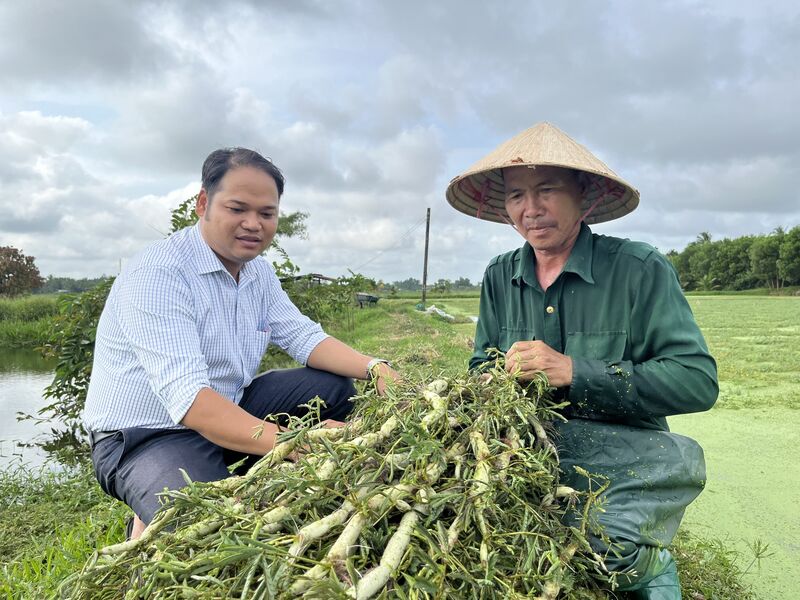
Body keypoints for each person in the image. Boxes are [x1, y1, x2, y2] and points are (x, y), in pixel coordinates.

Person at [445, 123, 718, 599]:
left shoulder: (638, 269)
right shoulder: (498, 276)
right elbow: (479, 369)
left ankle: (652, 567)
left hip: (625, 449)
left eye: (547, 189)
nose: (531, 210)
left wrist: (574, 371)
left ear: (584, 196)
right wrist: (493, 384)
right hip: (529, 448)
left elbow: (696, 381)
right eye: (516, 196)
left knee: (606, 549)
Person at [84, 147, 397, 539]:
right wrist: (293, 442)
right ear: (203, 203)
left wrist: (376, 367)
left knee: (332, 386)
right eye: (237, 209)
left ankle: (241, 478)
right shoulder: (159, 274)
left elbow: (303, 336)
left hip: (227, 408)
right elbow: (190, 401)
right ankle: (151, 513)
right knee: (209, 525)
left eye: (266, 214)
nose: (253, 224)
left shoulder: (257, 274)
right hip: (146, 435)